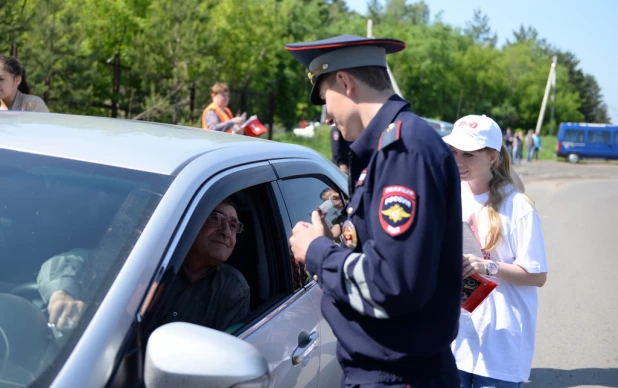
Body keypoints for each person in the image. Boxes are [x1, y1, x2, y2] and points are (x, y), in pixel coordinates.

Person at [286, 35, 463, 387]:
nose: (328, 116)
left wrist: (316, 252)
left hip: (398, 377)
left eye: (325, 101)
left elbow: (394, 284)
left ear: (345, 83)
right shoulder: (390, 146)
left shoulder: (402, 150)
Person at [37, 198, 250, 334]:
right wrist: (60, 295)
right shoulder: (149, 261)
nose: (225, 231)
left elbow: (224, 354)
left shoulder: (233, 289)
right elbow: (68, 262)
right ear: (190, 224)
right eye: (215, 218)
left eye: (233, 225)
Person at [443, 114, 548, 388]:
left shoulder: (518, 206)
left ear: (492, 157)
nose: (458, 161)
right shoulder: (450, 195)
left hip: (500, 345)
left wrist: (486, 266)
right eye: (453, 152)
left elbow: (536, 275)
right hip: (456, 338)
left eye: (468, 154)